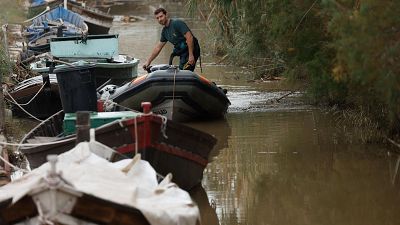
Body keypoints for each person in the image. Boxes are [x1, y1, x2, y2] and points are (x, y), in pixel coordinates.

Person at [142, 8, 201, 72]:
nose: (160, 19)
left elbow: (189, 37)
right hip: (183, 51)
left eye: (161, 16)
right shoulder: (164, 32)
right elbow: (158, 48)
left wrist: (191, 55)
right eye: (157, 18)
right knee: (179, 67)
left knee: (185, 72)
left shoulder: (177, 23)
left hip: (192, 49)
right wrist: (148, 61)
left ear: (166, 15)